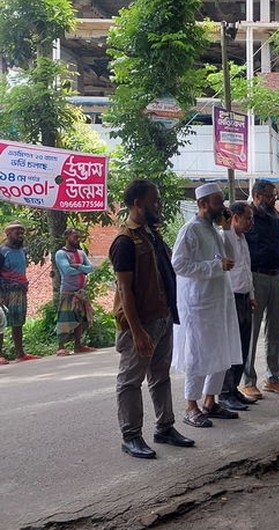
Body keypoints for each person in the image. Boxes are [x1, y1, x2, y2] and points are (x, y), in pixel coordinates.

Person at [110, 180, 193, 459]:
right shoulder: (125, 241)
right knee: (130, 381)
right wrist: (136, 331)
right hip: (141, 323)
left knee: (160, 376)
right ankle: (131, 436)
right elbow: (124, 290)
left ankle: (165, 427)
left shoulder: (151, 235)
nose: (158, 205)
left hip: (162, 316)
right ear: (138, 204)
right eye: (153, 200)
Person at [171, 183, 243, 428]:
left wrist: (227, 229)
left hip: (218, 301)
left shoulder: (213, 229)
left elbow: (231, 259)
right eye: (217, 202)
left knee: (220, 350)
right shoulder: (190, 230)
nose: (222, 207)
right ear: (203, 204)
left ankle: (210, 401)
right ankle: (191, 406)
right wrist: (214, 266)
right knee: (198, 354)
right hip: (198, 304)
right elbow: (179, 265)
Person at [241, 180, 279, 397]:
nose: (274, 200)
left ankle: (273, 377)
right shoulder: (247, 217)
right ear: (257, 196)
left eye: (275, 196)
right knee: (252, 331)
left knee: (274, 331)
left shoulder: (277, 217)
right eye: (270, 196)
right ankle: (247, 380)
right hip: (256, 276)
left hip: (277, 276)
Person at [218, 201, 258, 412]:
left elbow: (246, 269)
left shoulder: (243, 239)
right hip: (230, 297)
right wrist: (226, 228)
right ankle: (225, 393)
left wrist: (251, 295)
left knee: (242, 346)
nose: (251, 222)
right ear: (235, 217)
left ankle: (234, 389)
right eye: (247, 218)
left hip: (244, 297)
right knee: (230, 347)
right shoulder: (224, 237)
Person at [0, 220, 38, 362]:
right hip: (4, 291)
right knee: (1, 322)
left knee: (18, 322)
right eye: (17, 233)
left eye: (22, 233)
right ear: (8, 234)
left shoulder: (22, 251)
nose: (21, 235)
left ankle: (20, 354)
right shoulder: (2, 252)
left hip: (19, 290)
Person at [54, 228, 96, 356]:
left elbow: (91, 268)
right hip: (68, 291)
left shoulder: (81, 253)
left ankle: (78, 345)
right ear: (66, 237)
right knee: (65, 318)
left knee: (81, 318)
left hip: (80, 292)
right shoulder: (61, 254)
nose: (77, 240)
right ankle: (61, 346)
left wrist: (78, 266)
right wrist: (83, 269)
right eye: (75, 237)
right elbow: (66, 270)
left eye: (78, 237)